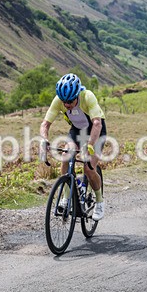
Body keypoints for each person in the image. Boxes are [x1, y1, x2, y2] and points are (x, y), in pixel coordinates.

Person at [40, 73, 106, 221]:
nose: (66, 105)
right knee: (66, 156)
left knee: (88, 168)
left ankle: (99, 202)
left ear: (77, 95)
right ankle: (66, 197)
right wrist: (44, 139)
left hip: (96, 131)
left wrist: (90, 145)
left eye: (70, 101)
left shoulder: (87, 96)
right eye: (64, 101)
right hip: (77, 131)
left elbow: (97, 124)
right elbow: (45, 124)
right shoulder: (59, 100)